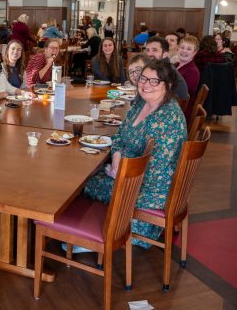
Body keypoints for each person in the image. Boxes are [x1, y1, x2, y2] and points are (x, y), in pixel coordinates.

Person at [84, 59, 187, 248]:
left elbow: (156, 171)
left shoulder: (168, 118)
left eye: (154, 81)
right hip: (128, 174)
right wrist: (116, 159)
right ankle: (94, 230)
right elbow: (120, 136)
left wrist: (121, 173)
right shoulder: (141, 104)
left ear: (168, 85)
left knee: (85, 182)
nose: (145, 85)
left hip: (149, 191)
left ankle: (102, 236)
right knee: (87, 175)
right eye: (143, 78)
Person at [176, 36, 200, 121]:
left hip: (180, 112)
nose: (184, 51)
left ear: (194, 53)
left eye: (189, 49)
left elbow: (180, 95)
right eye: (182, 47)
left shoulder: (192, 72)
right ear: (177, 49)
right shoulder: (175, 65)